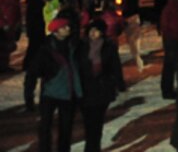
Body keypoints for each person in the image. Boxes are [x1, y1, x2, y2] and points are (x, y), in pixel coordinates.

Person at [76, 18, 126, 152]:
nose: (93, 33)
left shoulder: (108, 47)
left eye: (96, 30)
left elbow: (115, 66)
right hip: (85, 90)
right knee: (88, 122)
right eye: (91, 30)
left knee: (97, 122)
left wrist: (119, 83)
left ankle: (94, 147)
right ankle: (90, 148)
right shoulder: (81, 46)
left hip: (102, 90)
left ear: (102, 32)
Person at [34, 16, 81, 152]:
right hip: (50, 92)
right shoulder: (45, 49)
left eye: (68, 26)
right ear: (56, 31)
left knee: (66, 128)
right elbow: (34, 71)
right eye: (64, 27)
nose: (68, 29)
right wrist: (29, 92)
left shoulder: (73, 45)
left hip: (68, 92)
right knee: (45, 126)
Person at [160, 0, 178, 99]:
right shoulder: (174, 8)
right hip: (173, 40)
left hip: (171, 39)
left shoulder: (172, 7)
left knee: (170, 65)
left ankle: (167, 89)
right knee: (170, 65)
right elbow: (175, 25)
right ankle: (167, 90)